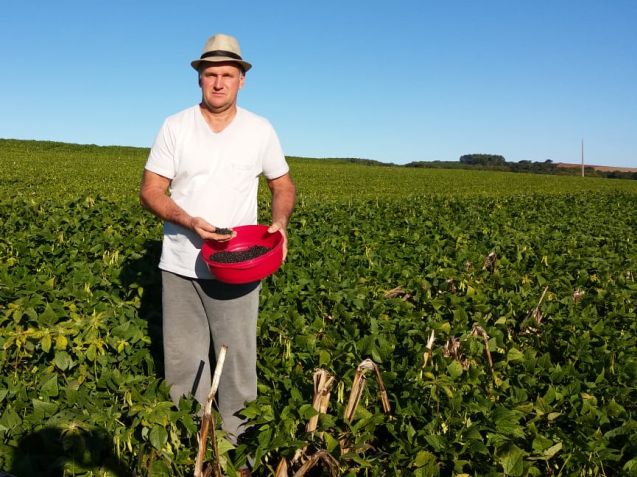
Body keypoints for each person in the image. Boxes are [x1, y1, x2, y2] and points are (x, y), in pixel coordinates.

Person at [139, 33, 296, 453]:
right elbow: (151, 190)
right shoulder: (175, 126)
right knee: (184, 363)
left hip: (237, 261)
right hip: (179, 263)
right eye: (211, 74)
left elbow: (283, 186)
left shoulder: (259, 130)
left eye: (228, 74)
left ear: (242, 80)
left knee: (237, 363)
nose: (219, 82)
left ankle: (237, 448)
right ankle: (195, 447)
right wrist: (188, 221)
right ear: (199, 79)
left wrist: (279, 223)